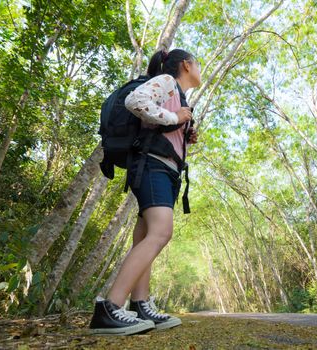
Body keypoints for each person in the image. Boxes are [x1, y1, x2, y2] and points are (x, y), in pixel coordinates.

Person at [89, 49, 201, 335]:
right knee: (161, 232)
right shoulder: (166, 81)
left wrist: (183, 129)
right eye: (197, 64)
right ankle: (110, 307)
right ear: (186, 65)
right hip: (152, 166)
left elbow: (158, 123)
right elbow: (135, 100)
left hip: (165, 168)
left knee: (145, 235)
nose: (200, 69)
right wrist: (174, 117)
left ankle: (140, 304)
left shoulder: (180, 95)